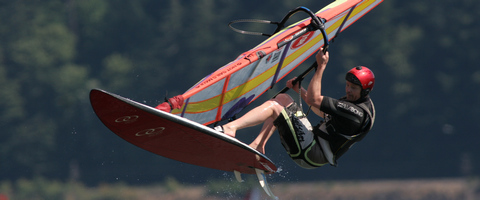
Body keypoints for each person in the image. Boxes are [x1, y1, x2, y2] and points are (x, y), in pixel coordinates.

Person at [214, 48, 376, 169]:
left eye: (353, 88)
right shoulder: (358, 104)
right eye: (347, 85)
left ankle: (230, 128)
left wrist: (321, 66)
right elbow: (320, 110)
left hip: (312, 153)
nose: (348, 90)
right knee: (282, 99)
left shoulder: (355, 113)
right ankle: (258, 145)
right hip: (313, 142)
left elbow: (314, 99)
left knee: (274, 107)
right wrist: (300, 90)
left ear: (365, 91)